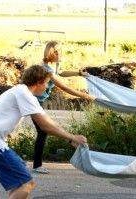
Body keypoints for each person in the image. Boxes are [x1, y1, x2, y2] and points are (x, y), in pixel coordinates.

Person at [0, 65, 88, 199]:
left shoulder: (23, 92)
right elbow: (45, 126)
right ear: (38, 82)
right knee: (26, 184)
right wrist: (72, 137)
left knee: (20, 183)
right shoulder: (24, 93)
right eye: (46, 83)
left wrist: (71, 138)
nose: (47, 88)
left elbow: (48, 121)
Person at [32, 41, 95, 174]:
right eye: (56, 51)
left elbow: (61, 72)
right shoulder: (46, 69)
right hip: (32, 100)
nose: (59, 53)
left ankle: (35, 164)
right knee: (43, 130)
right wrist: (85, 96)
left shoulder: (54, 65)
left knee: (42, 130)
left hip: (38, 100)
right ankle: (37, 165)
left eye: (60, 50)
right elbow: (63, 87)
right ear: (49, 53)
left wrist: (78, 73)